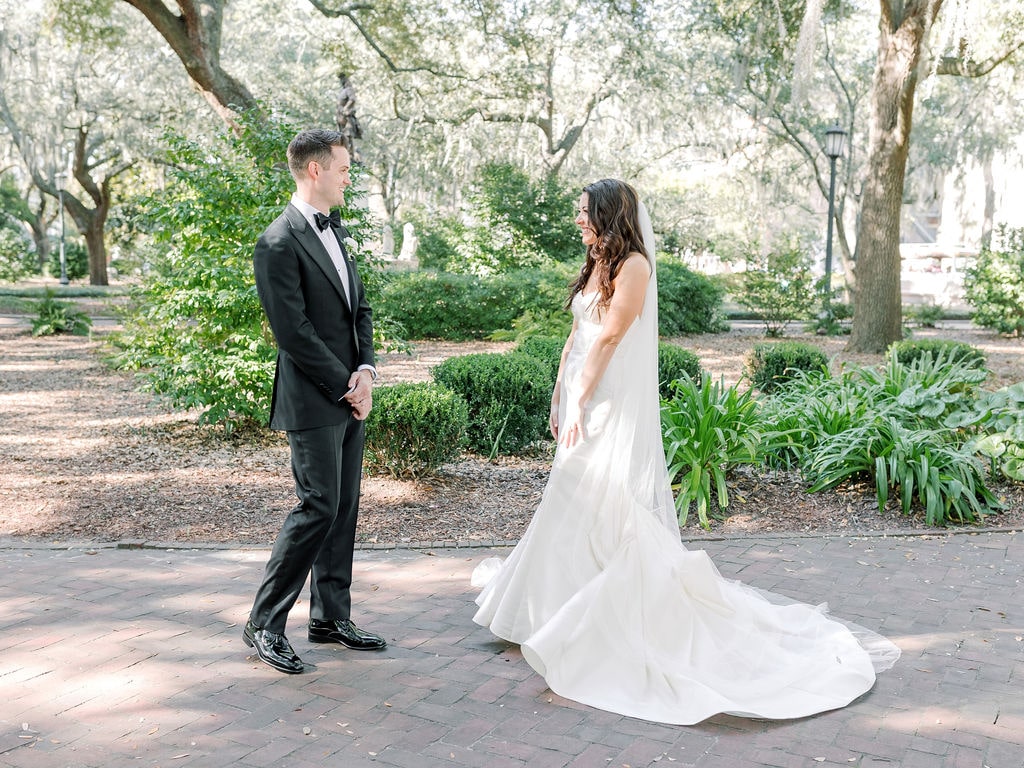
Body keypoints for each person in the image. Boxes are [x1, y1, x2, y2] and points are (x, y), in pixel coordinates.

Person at [472, 179, 900, 724]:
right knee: (571, 497)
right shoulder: (596, 261)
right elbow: (577, 336)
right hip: (581, 390)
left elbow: (610, 338)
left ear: (609, 214)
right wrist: (561, 391)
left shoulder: (634, 266)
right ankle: (552, 607)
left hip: (605, 398)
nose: (578, 220)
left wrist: (580, 400)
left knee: (595, 497)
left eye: (585, 212)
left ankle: (595, 612)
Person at [243, 128, 385, 675]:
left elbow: (359, 308)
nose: (349, 178)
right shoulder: (277, 241)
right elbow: (293, 332)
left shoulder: (335, 229)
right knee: (318, 506)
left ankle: (330, 617)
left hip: (351, 393)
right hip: (312, 396)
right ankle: (264, 623)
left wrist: (366, 372)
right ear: (315, 170)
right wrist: (345, 384)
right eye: (344, 169)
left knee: (343, 507)